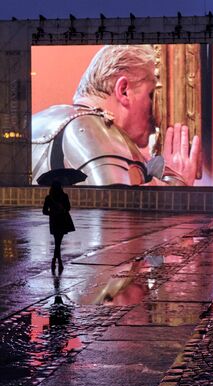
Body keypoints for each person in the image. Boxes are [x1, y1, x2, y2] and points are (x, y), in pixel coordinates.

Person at [32, 45, 201, 186]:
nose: (156, 112)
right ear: (124, 90)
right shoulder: (95, 132)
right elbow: (112, 219)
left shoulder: (38, 122)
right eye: (151, 95)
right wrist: (177, 181)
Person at [43, 181, 75, 273]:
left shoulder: (49, 198)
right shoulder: (64, 196)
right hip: (62, 221)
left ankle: (55, 261)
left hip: (53, 221)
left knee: (57, 242)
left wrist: (52, 212)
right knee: (58, 242)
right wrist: (62, 209)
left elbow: (44, 211)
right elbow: (68, 208)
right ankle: (58, 261)